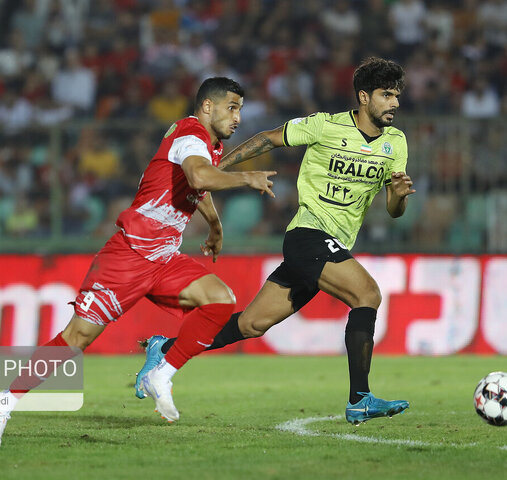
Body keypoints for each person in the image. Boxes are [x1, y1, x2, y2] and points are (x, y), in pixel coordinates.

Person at [0, 77, 276, 446]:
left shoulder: (209, 146)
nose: (238, 117)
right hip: (130, 255)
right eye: (232, 108)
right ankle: (4, 400)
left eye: (240, 110)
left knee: (219, 298)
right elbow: (199, 176)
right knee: (76, 339)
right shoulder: (188, 134)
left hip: (164, 257)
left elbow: (196, 187)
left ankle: (162, 371)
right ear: (206, 107)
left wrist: (215, 226)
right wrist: (246, 176)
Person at [136, 57, 415, 425]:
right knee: (367, 295)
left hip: (335, 244)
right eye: (386, 95)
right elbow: (267, 138)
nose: (394, 103)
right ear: (364, 97)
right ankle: (360, 399)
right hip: (308, 235)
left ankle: (165, 348)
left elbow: (394, 210)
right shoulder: (324, 126)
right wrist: (220, 168)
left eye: (396, 96)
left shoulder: (396, 143)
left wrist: (398, 194)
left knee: (251, 325)